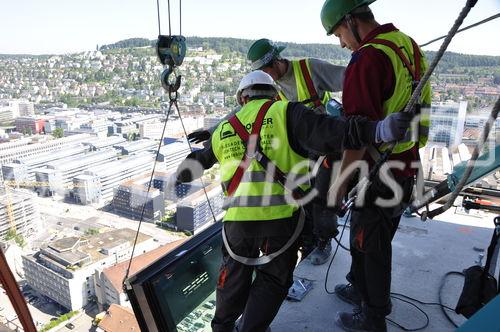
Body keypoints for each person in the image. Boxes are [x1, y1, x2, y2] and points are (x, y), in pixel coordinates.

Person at [175, 70, 414, 332]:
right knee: (273, 281)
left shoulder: (223, 128)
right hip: (282, 220)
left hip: (237, 224)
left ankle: (222, 327)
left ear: (242, 99)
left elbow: (191, 169)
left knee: (232, 277)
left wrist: (184, 167)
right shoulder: (287, 112)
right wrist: (380, 129)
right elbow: (336, 131)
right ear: (274, 94)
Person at [320, 0, 431, 331]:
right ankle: (359, 287)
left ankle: (373, 318)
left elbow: (356, 138)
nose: (342, 43)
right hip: (407, 164)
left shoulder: (366, 59)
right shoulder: (405, 44)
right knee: (368, 238)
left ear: (352, 21)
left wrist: (337, 189)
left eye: (340, 33)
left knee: (372, 248)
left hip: (379, 172)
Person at [247, 38, 347, 265]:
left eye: (266, 71)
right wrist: (213, 131)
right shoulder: (271, 88)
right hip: (299, 150)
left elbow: (350, 78)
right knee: (300, 198)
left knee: (323, 197)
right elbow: (247, 110)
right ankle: (309, 241)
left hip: (326, 147)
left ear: (276, 62)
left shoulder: (309, 69)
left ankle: (325, 240)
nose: (267, 76)